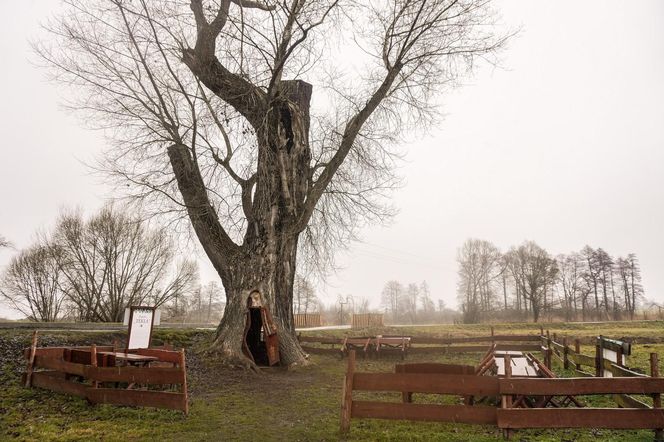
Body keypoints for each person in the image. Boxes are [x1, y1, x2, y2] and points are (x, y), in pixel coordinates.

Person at [242, 290, 280, 366]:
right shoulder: (251, 310)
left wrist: (272, 325)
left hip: (256, 331)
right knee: (253, 341)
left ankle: (268, 360)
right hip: (251, 332)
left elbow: (267, 320)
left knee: (256, 341)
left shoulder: (263, 310)